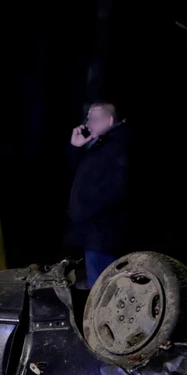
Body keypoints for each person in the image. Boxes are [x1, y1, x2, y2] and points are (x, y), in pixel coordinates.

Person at [66, 101, 132, 287]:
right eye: (88, 119)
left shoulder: (118, 146)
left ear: (110, 120)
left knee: (104, 287)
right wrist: (76, 146)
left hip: (105, 233)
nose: (88, 124)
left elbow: (117, 190)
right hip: (93, 233)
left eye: (94, 119)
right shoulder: (99, 144)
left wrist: (87, 211)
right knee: (98, 285)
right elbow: (76, 174)